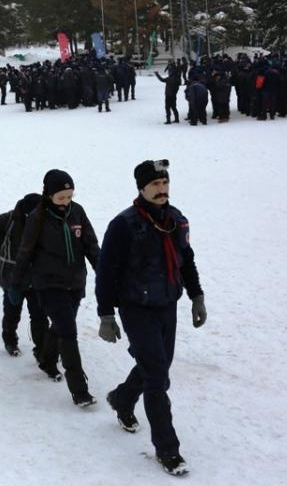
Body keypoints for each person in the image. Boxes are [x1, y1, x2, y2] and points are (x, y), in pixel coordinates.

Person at [94, 159, 206, 477]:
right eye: (155, 184)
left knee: (156, 365)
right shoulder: (124, 225)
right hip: (135, 307)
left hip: (167, 304)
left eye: (164, 183)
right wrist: (106, 314)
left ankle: (122, 398)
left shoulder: (175, 219)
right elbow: (106, 271)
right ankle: (168, 450)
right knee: (157, 377)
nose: (161, 189)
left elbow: (186, 261)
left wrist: (197, 296)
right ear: (141, 188)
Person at [15, 169, 100, 407]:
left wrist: (103, 272)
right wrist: (17, 282)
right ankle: (79, 389)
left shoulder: (78, 212)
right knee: (68, 331)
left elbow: (91, 245)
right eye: (61, 197)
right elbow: (25, 251)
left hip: (75, 282)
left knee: (62, 325)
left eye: (69, 197)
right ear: (49, 195)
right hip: (49, 283)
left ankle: (46, 359)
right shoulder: (38, 217)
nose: (65, 202)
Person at [0, 192, 48, 359]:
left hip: (36, 278)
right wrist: (2, 243)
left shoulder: (46, 222)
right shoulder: (11, 219)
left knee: (39, 315)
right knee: (12, 313)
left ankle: (42, 348)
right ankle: (10, 341)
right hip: (12, 277)